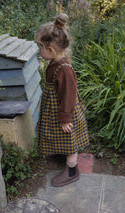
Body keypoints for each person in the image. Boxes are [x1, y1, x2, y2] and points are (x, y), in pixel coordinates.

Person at [35, 13, 89, 187]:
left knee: (68, 138)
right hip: (57, 107)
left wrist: (65, 118)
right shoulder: (55, 62)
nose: (38, 51)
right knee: (58, 133)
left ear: (50, 50)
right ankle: (60, 154)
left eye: (39, 47)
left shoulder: (64, 68)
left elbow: (69, 94)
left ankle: (72, 169)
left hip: (66, 110)